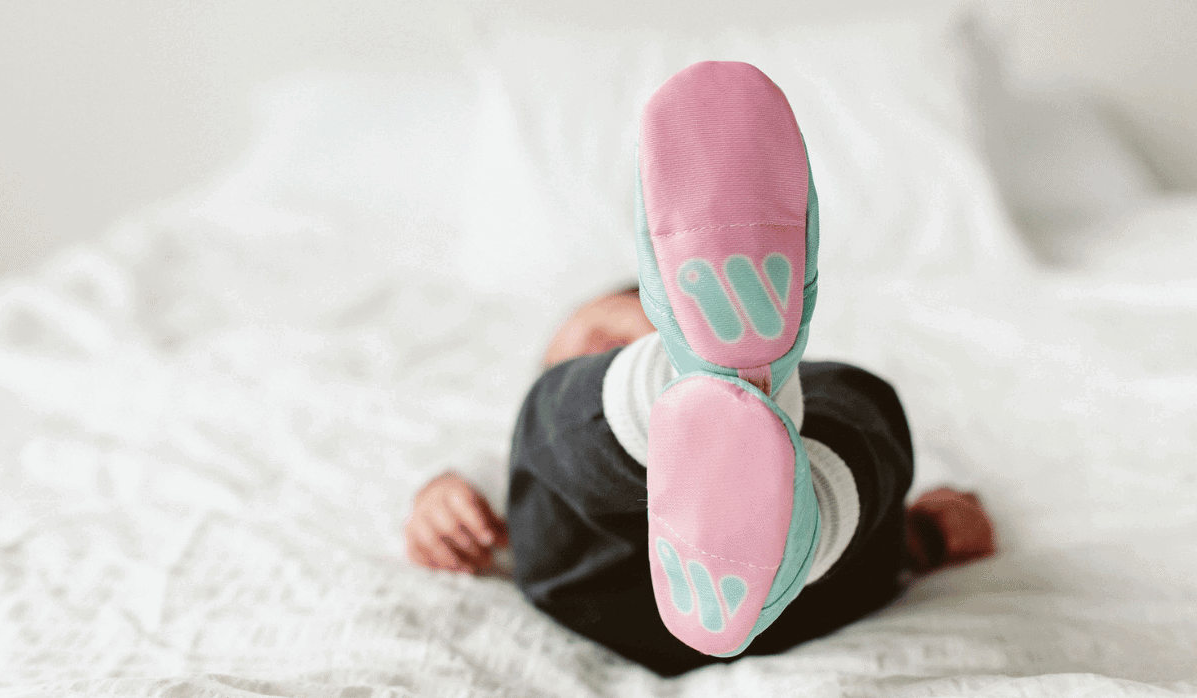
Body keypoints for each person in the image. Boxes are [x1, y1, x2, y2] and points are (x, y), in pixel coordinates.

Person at [403, 61, 995, 676]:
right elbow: (468, 484)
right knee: (558, 414)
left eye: (617, 335)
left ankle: (778, 486)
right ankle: (706, 390)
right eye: (593, 351)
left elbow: (930, 481)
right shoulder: (522, 442)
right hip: (619, 581)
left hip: (790, 592)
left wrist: (940, 515)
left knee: (845, 395)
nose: (593, 353)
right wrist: (440, 502)